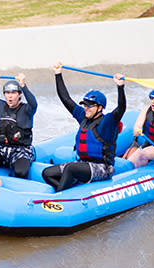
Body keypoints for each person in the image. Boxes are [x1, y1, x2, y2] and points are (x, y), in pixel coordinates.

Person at [41, 63, 127, 192]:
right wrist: (58, 74)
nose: (86, 108)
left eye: (90, 106)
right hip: (83, 165)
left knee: (70, 169)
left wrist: (120, 87)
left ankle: (60, 196)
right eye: (85, 105)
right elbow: (65, 99)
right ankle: (67, 192)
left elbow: (121, 108)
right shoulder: (83, 117)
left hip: (103, 168)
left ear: (100, 108)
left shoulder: (107, 122)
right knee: (47, 173)